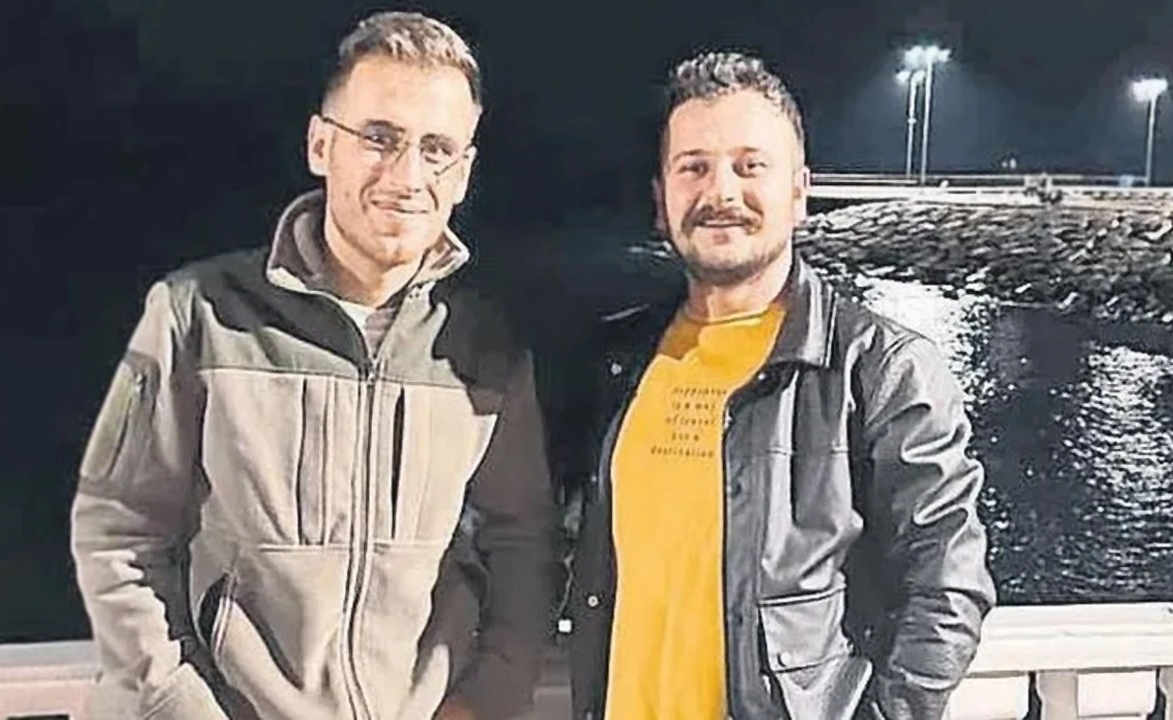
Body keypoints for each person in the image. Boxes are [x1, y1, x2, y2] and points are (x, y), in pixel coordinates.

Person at [69, 11, 557, 720]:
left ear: (463, 174)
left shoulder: (484, 351)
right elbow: (119, 533)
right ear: (320, 144)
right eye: (379, 139)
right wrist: (179, 704)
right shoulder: (199, 316)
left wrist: (484, 701)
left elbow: (524, 545)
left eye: (437, 149)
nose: (406, 175)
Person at [563, 50, 996, 720]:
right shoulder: (616, 362)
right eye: (693, 167)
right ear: (661, 201)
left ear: (799, 193)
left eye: (750, 166)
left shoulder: (879, 368)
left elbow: (948, 583)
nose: (721, 192)